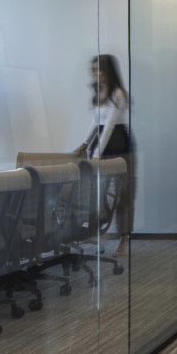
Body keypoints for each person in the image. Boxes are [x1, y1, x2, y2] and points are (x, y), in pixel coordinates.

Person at [79, 54, 133, 257]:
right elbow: (95, 122)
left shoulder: (118, 94)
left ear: (107, 71)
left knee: (122, 195)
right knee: (98, 191)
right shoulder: (99, 92)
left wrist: (95, 154)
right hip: (100, 144)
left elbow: (109, 126)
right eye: (92, 70)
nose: (94, 74)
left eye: (97, 69)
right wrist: (84, 143)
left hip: (118, 144)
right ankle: (99, 232)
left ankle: (124, 238)